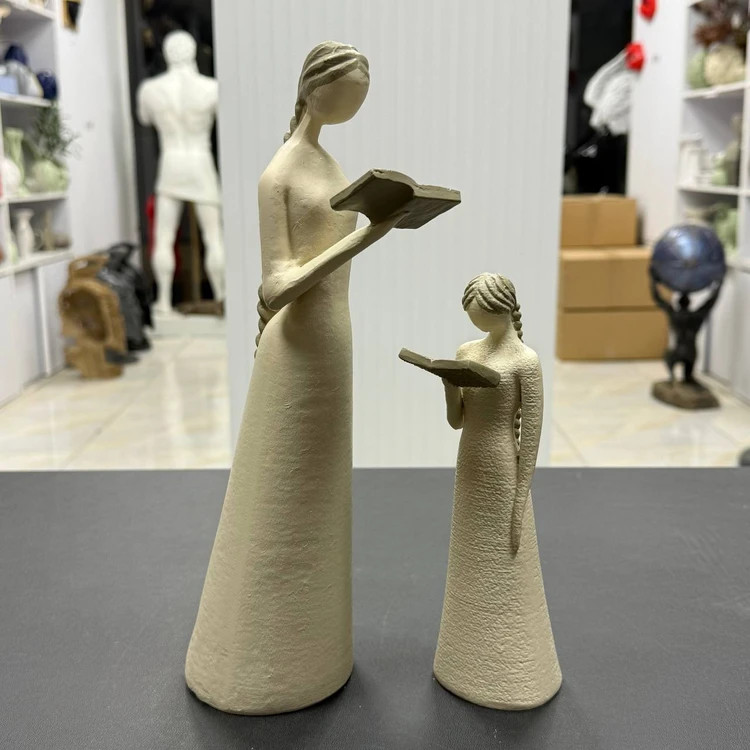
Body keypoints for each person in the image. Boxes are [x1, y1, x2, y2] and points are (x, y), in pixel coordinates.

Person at [185, 42, 405, 715]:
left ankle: (315, 650)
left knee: (321, 489)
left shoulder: (329, 164)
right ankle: (252, 660)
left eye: (361, 99)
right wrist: (370, 234)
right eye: (347, 96)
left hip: (336, 339)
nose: (353, 107)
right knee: (282, 487)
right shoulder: (278, 175)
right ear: (314, 89)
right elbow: (276, 286)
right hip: (299, 345)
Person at [433, 273, 561, 710]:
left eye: (480, 315)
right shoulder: (467, 353)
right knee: (469, 551)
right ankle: (462, 654)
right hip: (469, 459)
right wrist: (449, 387)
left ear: (502, 310)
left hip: (502, 463)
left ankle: (510, 667)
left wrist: (520, 498)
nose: (475, 324)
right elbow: (457, 420)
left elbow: (532, 437)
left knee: (506, 555)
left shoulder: (526, 361)